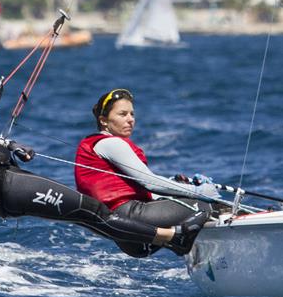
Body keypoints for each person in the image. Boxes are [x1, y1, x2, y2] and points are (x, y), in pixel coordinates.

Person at [0, 79, 205, 257]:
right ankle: (173, 237)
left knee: (88, 214)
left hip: (5, 179)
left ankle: (152, 241)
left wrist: (7, 146)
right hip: (1, 190)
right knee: (91, 211)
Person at [74, 88, 220, 258]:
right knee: (207, 206)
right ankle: (188, 239)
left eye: (132, 114)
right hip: (130, 218)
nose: (130, 120)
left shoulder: (97, 145)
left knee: (202, 206)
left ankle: (189, 240)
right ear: (104, 121)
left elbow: (136, 186)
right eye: (123, 114)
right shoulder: (110, 143)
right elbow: (149, 182)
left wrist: (179, 185)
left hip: (131, 237)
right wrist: (198, 192)